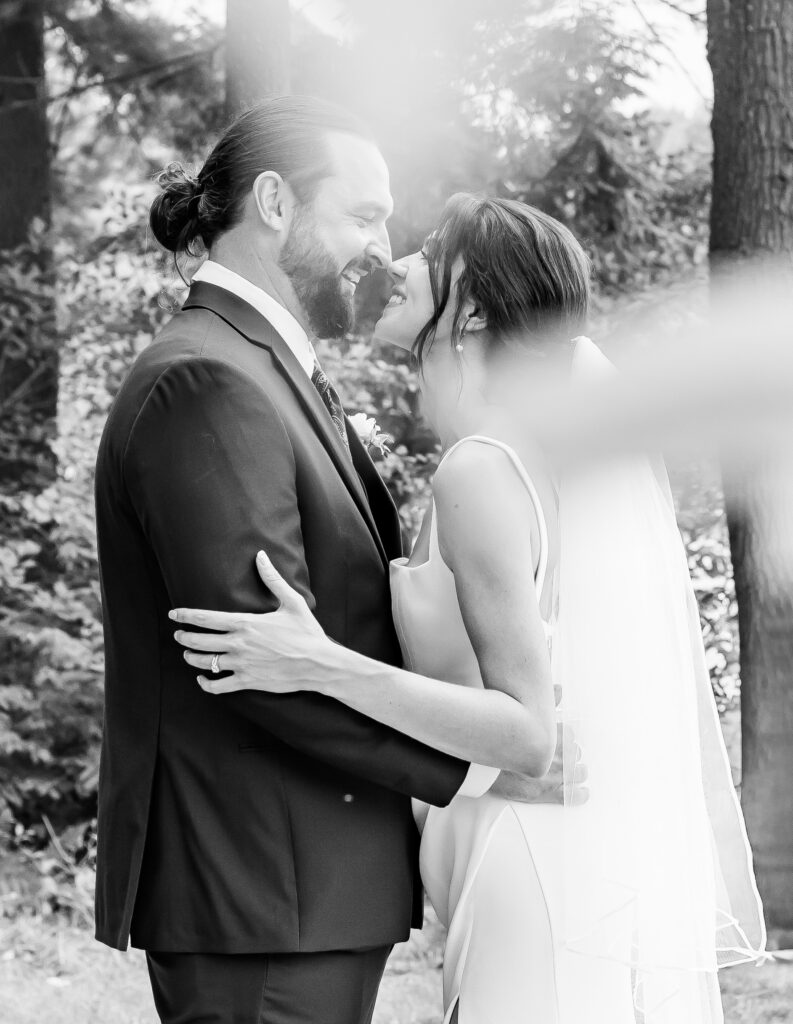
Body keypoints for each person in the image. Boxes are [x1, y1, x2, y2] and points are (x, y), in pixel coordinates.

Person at [172, 194, 767, 1023]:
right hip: (517, 844)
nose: (398, 263)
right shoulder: (507, 457)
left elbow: (527, 735)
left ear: (476, 309)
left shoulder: (482, 470)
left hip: (526, 856)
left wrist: (316, 661)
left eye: (428, 253)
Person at [94, 98, 569, 1024]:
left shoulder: (268, 370)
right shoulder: (210, 379)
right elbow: (261, 665)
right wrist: (485, 766)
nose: (383, 248)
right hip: (260, 893)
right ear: (275, 202)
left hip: (303, 890)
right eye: (362, 214)